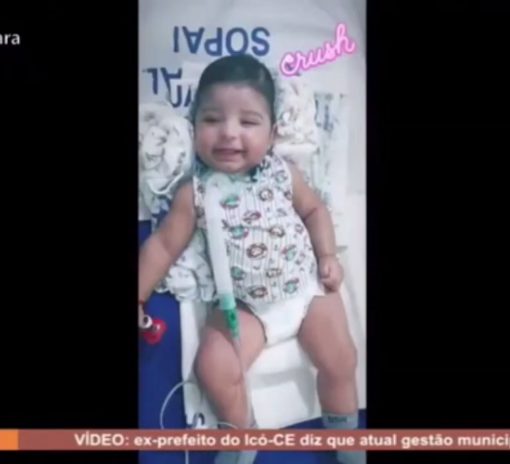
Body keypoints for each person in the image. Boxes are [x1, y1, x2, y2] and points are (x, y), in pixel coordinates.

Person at [138, 54, 362, 464]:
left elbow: (315, 211)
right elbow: (164, 246)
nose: (228, 133)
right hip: (243, 305)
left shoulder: (283, 173)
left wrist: (326, 254)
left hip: (305, 288)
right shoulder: (194, 193)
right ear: (193, 126)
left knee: (341, 359)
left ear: (272, 134)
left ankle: (345, 431)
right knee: (213, 367)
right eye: (212, 119)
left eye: (247, 122)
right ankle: (242, 434)